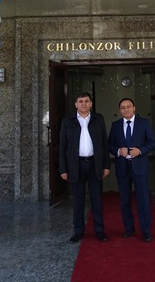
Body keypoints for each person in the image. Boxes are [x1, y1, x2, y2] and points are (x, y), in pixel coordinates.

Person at [59, 91, 110, 243]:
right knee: (78, 200)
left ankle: (99, 231)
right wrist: (63, 169)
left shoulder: (98, 119)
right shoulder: (67, 121)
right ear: (76, 104)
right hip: (76, 165)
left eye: (86, 101)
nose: (83, 104)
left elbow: (104, 144)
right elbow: (62, 147)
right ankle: (78, 231)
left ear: (91, 104)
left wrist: (106, 165)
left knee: (97, 199)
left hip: (95, 164)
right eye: (80, 101)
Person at [109, 98, 155, 242]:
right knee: (124, 200)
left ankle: (146, 231)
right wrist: (119, 151)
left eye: (128, 106)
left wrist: (140, 150)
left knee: (143, 200)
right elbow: (109, 145)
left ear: (134, 108)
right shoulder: (115, 125)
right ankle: (129, 229)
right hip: (122, 168)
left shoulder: (144, 123)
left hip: (140, 167)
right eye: (123, 107)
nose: (126, 109)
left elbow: (153, 143)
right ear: (120, 110)